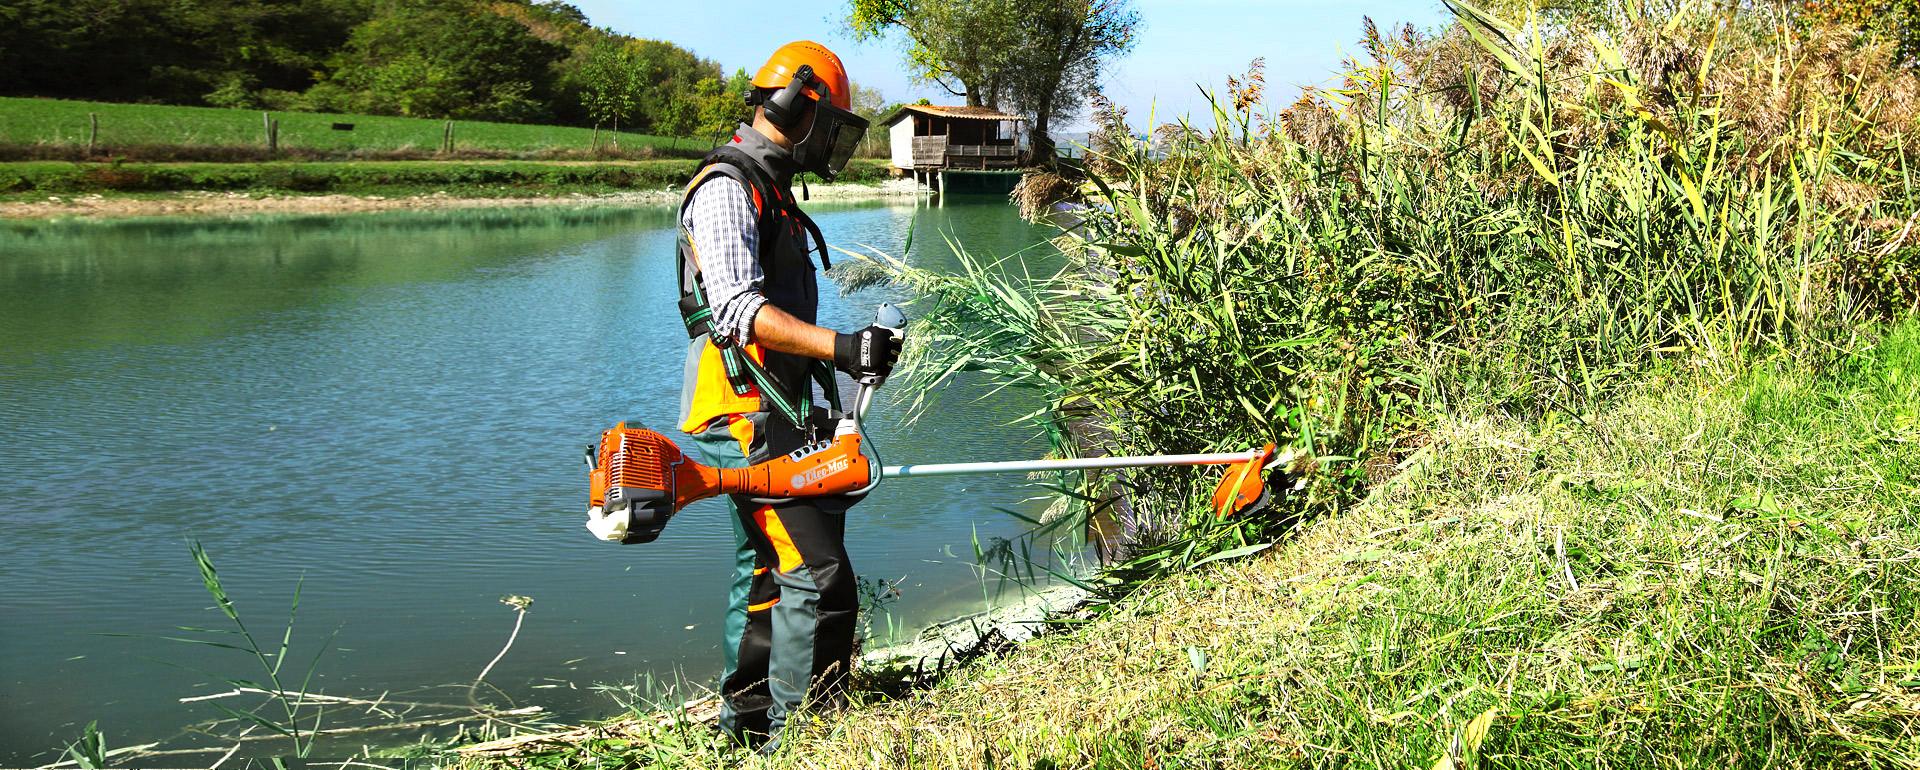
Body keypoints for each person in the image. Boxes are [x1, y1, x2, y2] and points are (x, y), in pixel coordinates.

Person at [672, 40, 897, 750]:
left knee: (765, 570)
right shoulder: (727, 188)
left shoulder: (771, 189)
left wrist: (839, 369)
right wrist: (843, 347)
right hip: (748, 413)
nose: (833, 142)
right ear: (798, 106)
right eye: (831, 125)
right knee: (818, 577)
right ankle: (809, 739)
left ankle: (745, 731)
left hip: (778, 408)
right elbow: (738, 310)